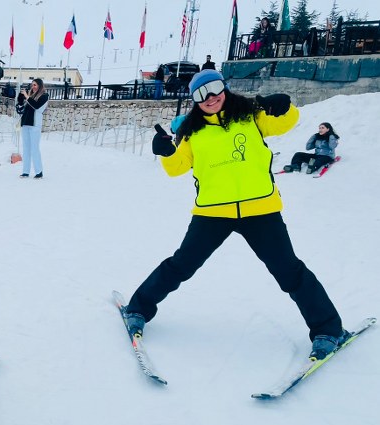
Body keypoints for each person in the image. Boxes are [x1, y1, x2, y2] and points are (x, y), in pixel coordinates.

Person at [122, 69, 348, 362]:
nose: (210, 97)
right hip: (212, 212)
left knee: (289, 271)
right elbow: (177, 168)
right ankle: (137, 310)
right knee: (181, 265)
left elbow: (286, 123)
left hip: (260, 210)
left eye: (214, 88)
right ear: (194, 100)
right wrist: (166, 152)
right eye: (201, 94)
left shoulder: (251, 115)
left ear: (225, 88)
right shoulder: (192, 131)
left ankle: (329, 330)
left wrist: (285, 106)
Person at [15, 78, 49, 179]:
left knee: (34, 149)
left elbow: (37, 106)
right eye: (32, 85)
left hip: (35, 125)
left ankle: (39, 172)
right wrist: (20, 101)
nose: (33, 87)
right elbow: (21, 110)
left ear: (40, 86)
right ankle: (25, 171)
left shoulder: (44, 96)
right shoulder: (30, 96)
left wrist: (27, 96)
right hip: (25, 124)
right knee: (26, 149)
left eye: (35, 85)